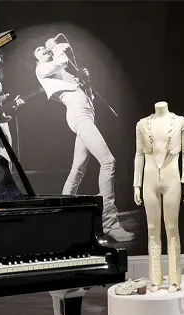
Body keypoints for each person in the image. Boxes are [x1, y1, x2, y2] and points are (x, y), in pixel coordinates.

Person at [34, 37, 133, 242]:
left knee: (77, 169)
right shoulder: (42, 69)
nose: (43, 49)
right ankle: (110, 223)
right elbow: (61, 60)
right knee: (108, 161)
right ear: (36, 59)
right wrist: (55, 47)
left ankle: (63, 219)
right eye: (39, 50)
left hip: (86, 115)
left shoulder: (61, 73)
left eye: (45, 48)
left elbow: (87, 95)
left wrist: (83, 81)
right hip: (78, 116)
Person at [0, 79, 24, 168]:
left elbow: (2, 111)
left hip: (4, 125)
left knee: (6, 152)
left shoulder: (1, 96)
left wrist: (14, 106)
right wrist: (11, 104)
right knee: (2, 152)